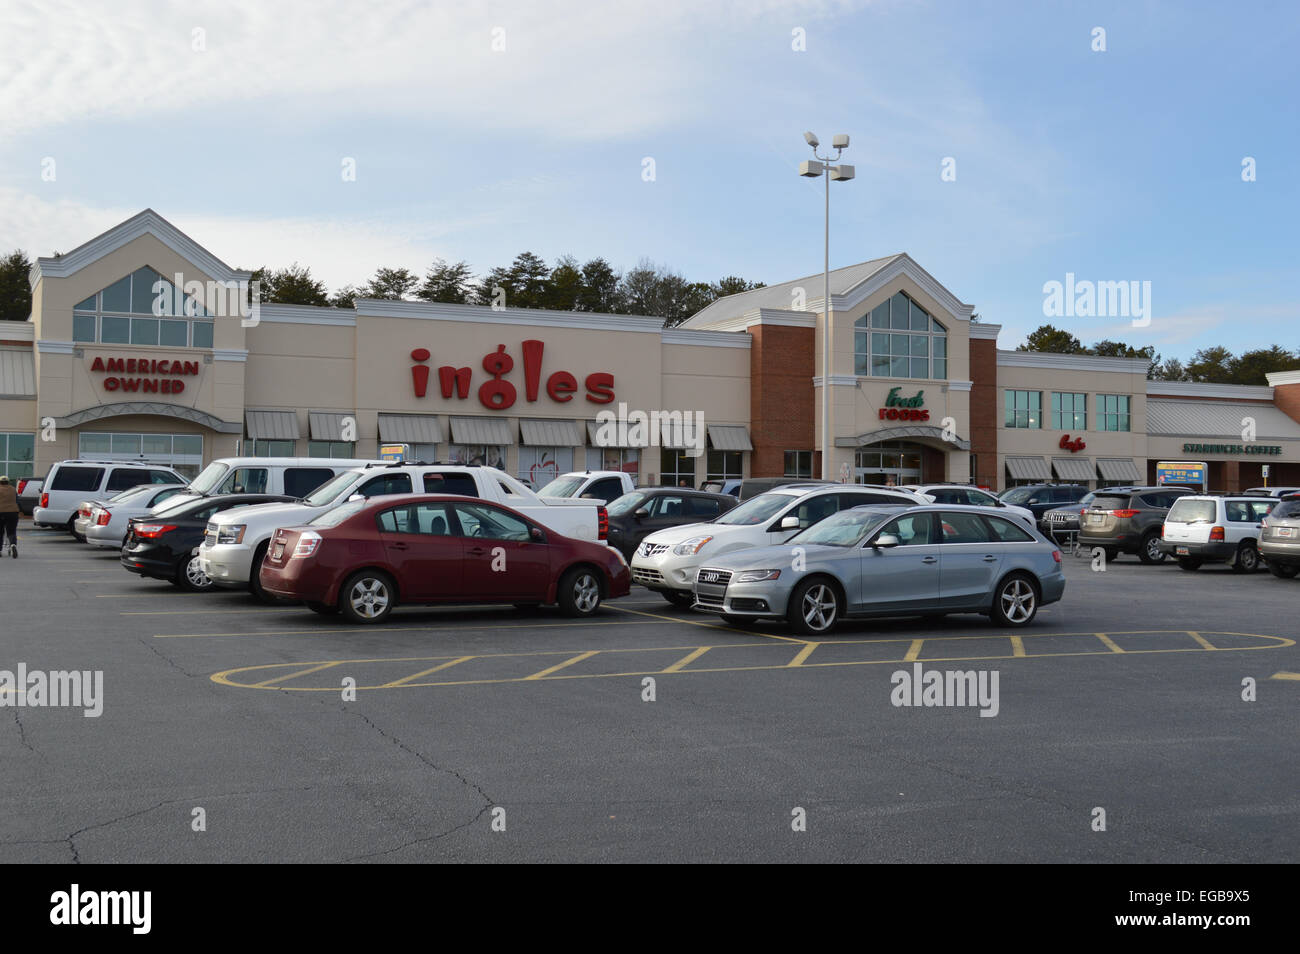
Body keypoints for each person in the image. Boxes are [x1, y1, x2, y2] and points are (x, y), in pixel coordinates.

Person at [0, 476, 18, 558]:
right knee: (11, 531)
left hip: (0, 512)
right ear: (8, 482)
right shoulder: (13, 489)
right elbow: (17, 500)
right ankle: (13, 544)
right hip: (12, 513)